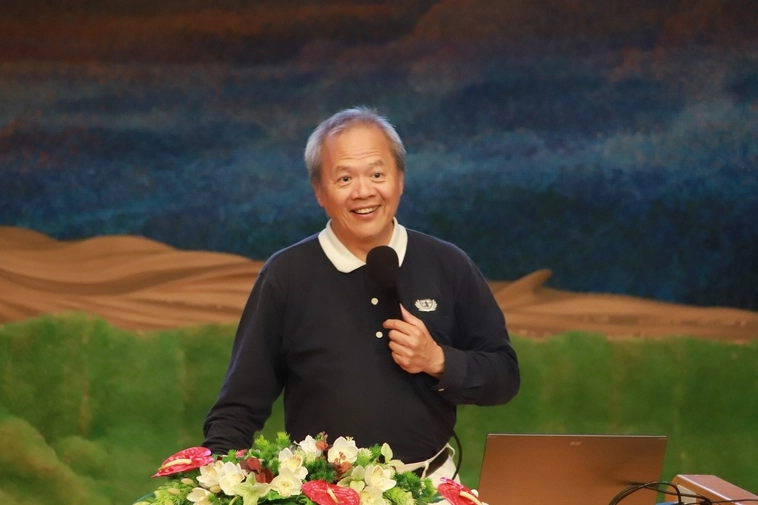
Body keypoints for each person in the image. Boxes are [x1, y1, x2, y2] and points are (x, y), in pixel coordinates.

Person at [202, 106, 520, 485]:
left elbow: (504, 375)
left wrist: (437, 360)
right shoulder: (286, 275)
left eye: (377, 174)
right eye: (344, 178)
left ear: (400, 180)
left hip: (430, 484)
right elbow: (239, 406)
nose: (364, 191)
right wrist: (215, 481)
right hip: (323, 491)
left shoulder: (448, 264)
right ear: (319, 191)